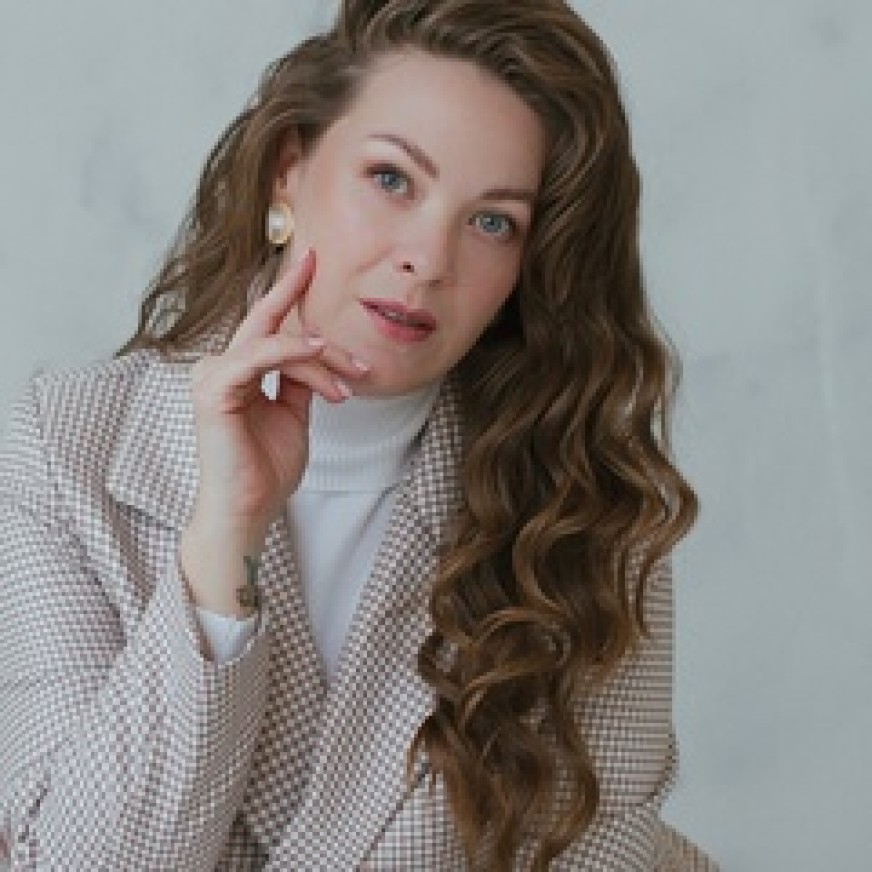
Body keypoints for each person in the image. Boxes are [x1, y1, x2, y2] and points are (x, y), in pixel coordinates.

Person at [0, 0, 716, 869]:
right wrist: (225, 540)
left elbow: (593, 851)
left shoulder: (585, 504)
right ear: (288, 173)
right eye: (392, 179)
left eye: (493, 221)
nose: (429, 258)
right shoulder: (67, 446)